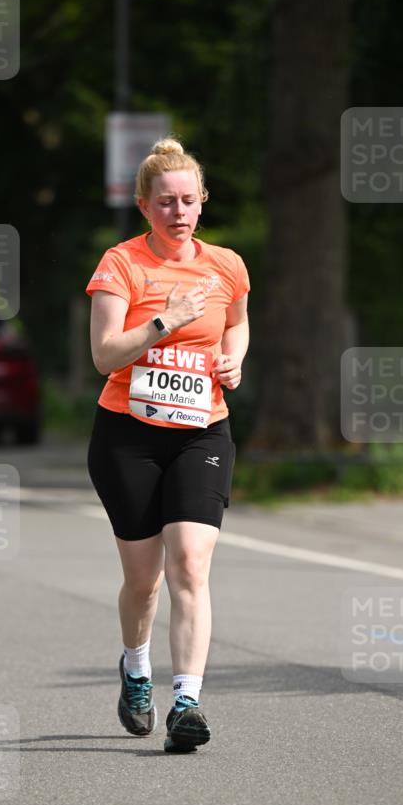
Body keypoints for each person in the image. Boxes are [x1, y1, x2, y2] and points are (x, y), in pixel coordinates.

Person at [86, 137, 250, 753]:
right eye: (165, 203)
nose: (178, 212)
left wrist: (232, 360)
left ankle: (187, 701)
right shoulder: (121, 265)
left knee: (189, 562)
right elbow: (104, 355)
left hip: (202, 429)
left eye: (188, 201)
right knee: (144, 581)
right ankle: (135, 666)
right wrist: (166, 319)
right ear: (143, 205)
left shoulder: (227, 265)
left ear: (202, 202)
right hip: (128, 435)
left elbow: (236, 322)